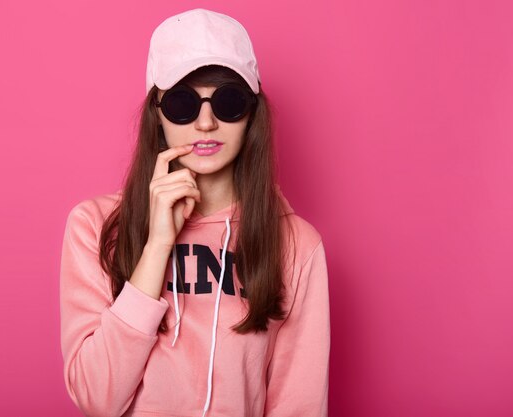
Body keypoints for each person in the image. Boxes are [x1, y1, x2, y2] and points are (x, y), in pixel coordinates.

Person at [59, 8, 330, 417]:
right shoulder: (95, 227)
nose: (206, 123)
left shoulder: (296, 245)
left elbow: (300, 406)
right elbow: (98, 399)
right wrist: (157, 245)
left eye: (228, 102)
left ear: (251, 114)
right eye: (184, 103)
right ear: (158, 113)